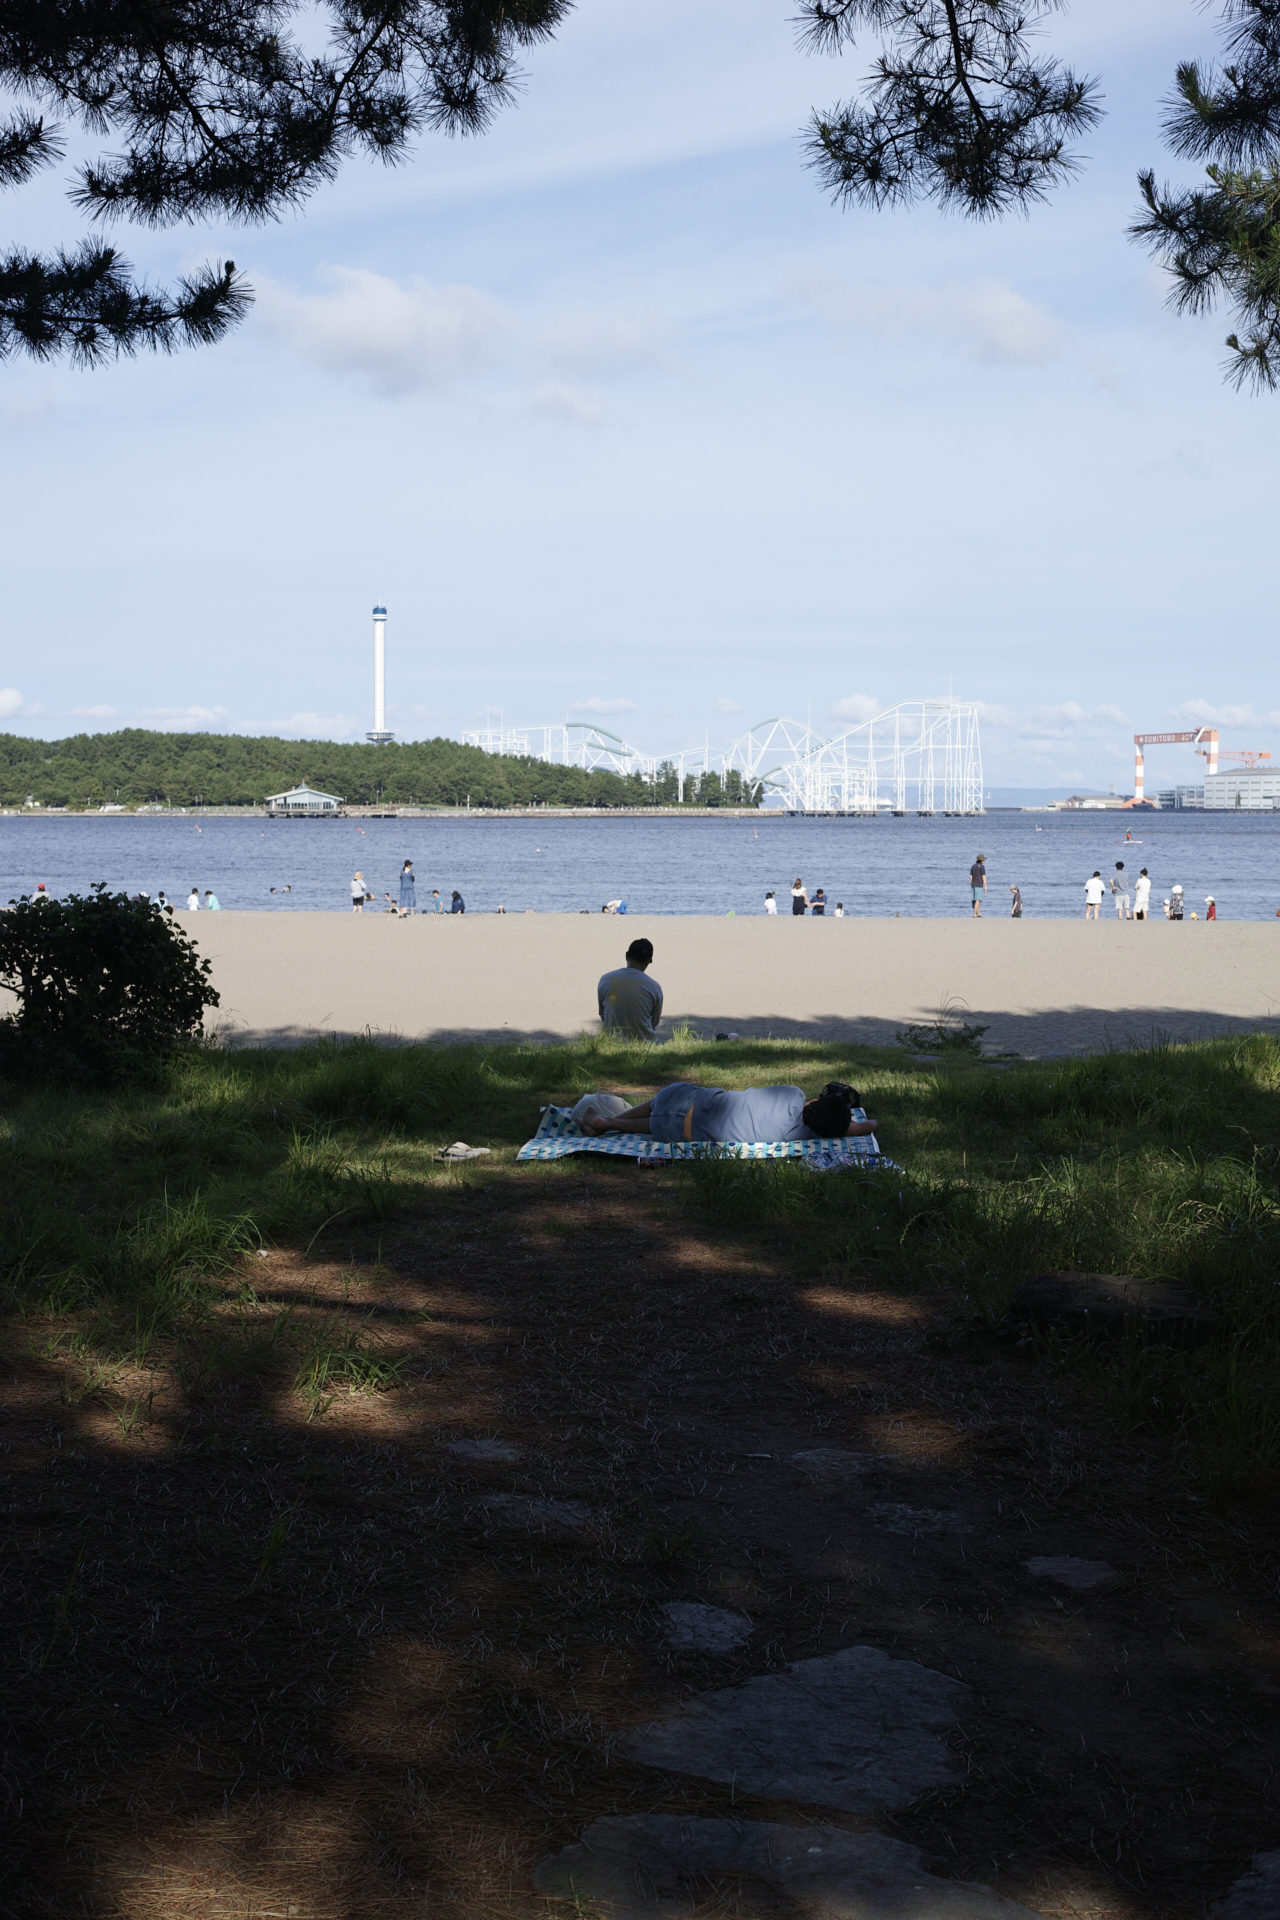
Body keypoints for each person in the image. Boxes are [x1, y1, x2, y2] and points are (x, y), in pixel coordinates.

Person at [585, 1080, 879, 1143]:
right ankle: (607, 1123)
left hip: (681, 1097)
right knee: (655, 1123)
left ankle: (609, 1120)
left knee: (659, 1105)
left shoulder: (792, 1094)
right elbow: (861, 1127)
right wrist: (867, 1124)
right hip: (673, 1132)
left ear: (814, 1102)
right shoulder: (802, 1137)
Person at [597, 938, 663, 1041]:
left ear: (626, 955)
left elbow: (603, 1015)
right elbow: (653, 1023)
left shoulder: (606, 979)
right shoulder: (654, 987)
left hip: (611, 1044)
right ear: (649, 961)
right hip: (644, 1046)